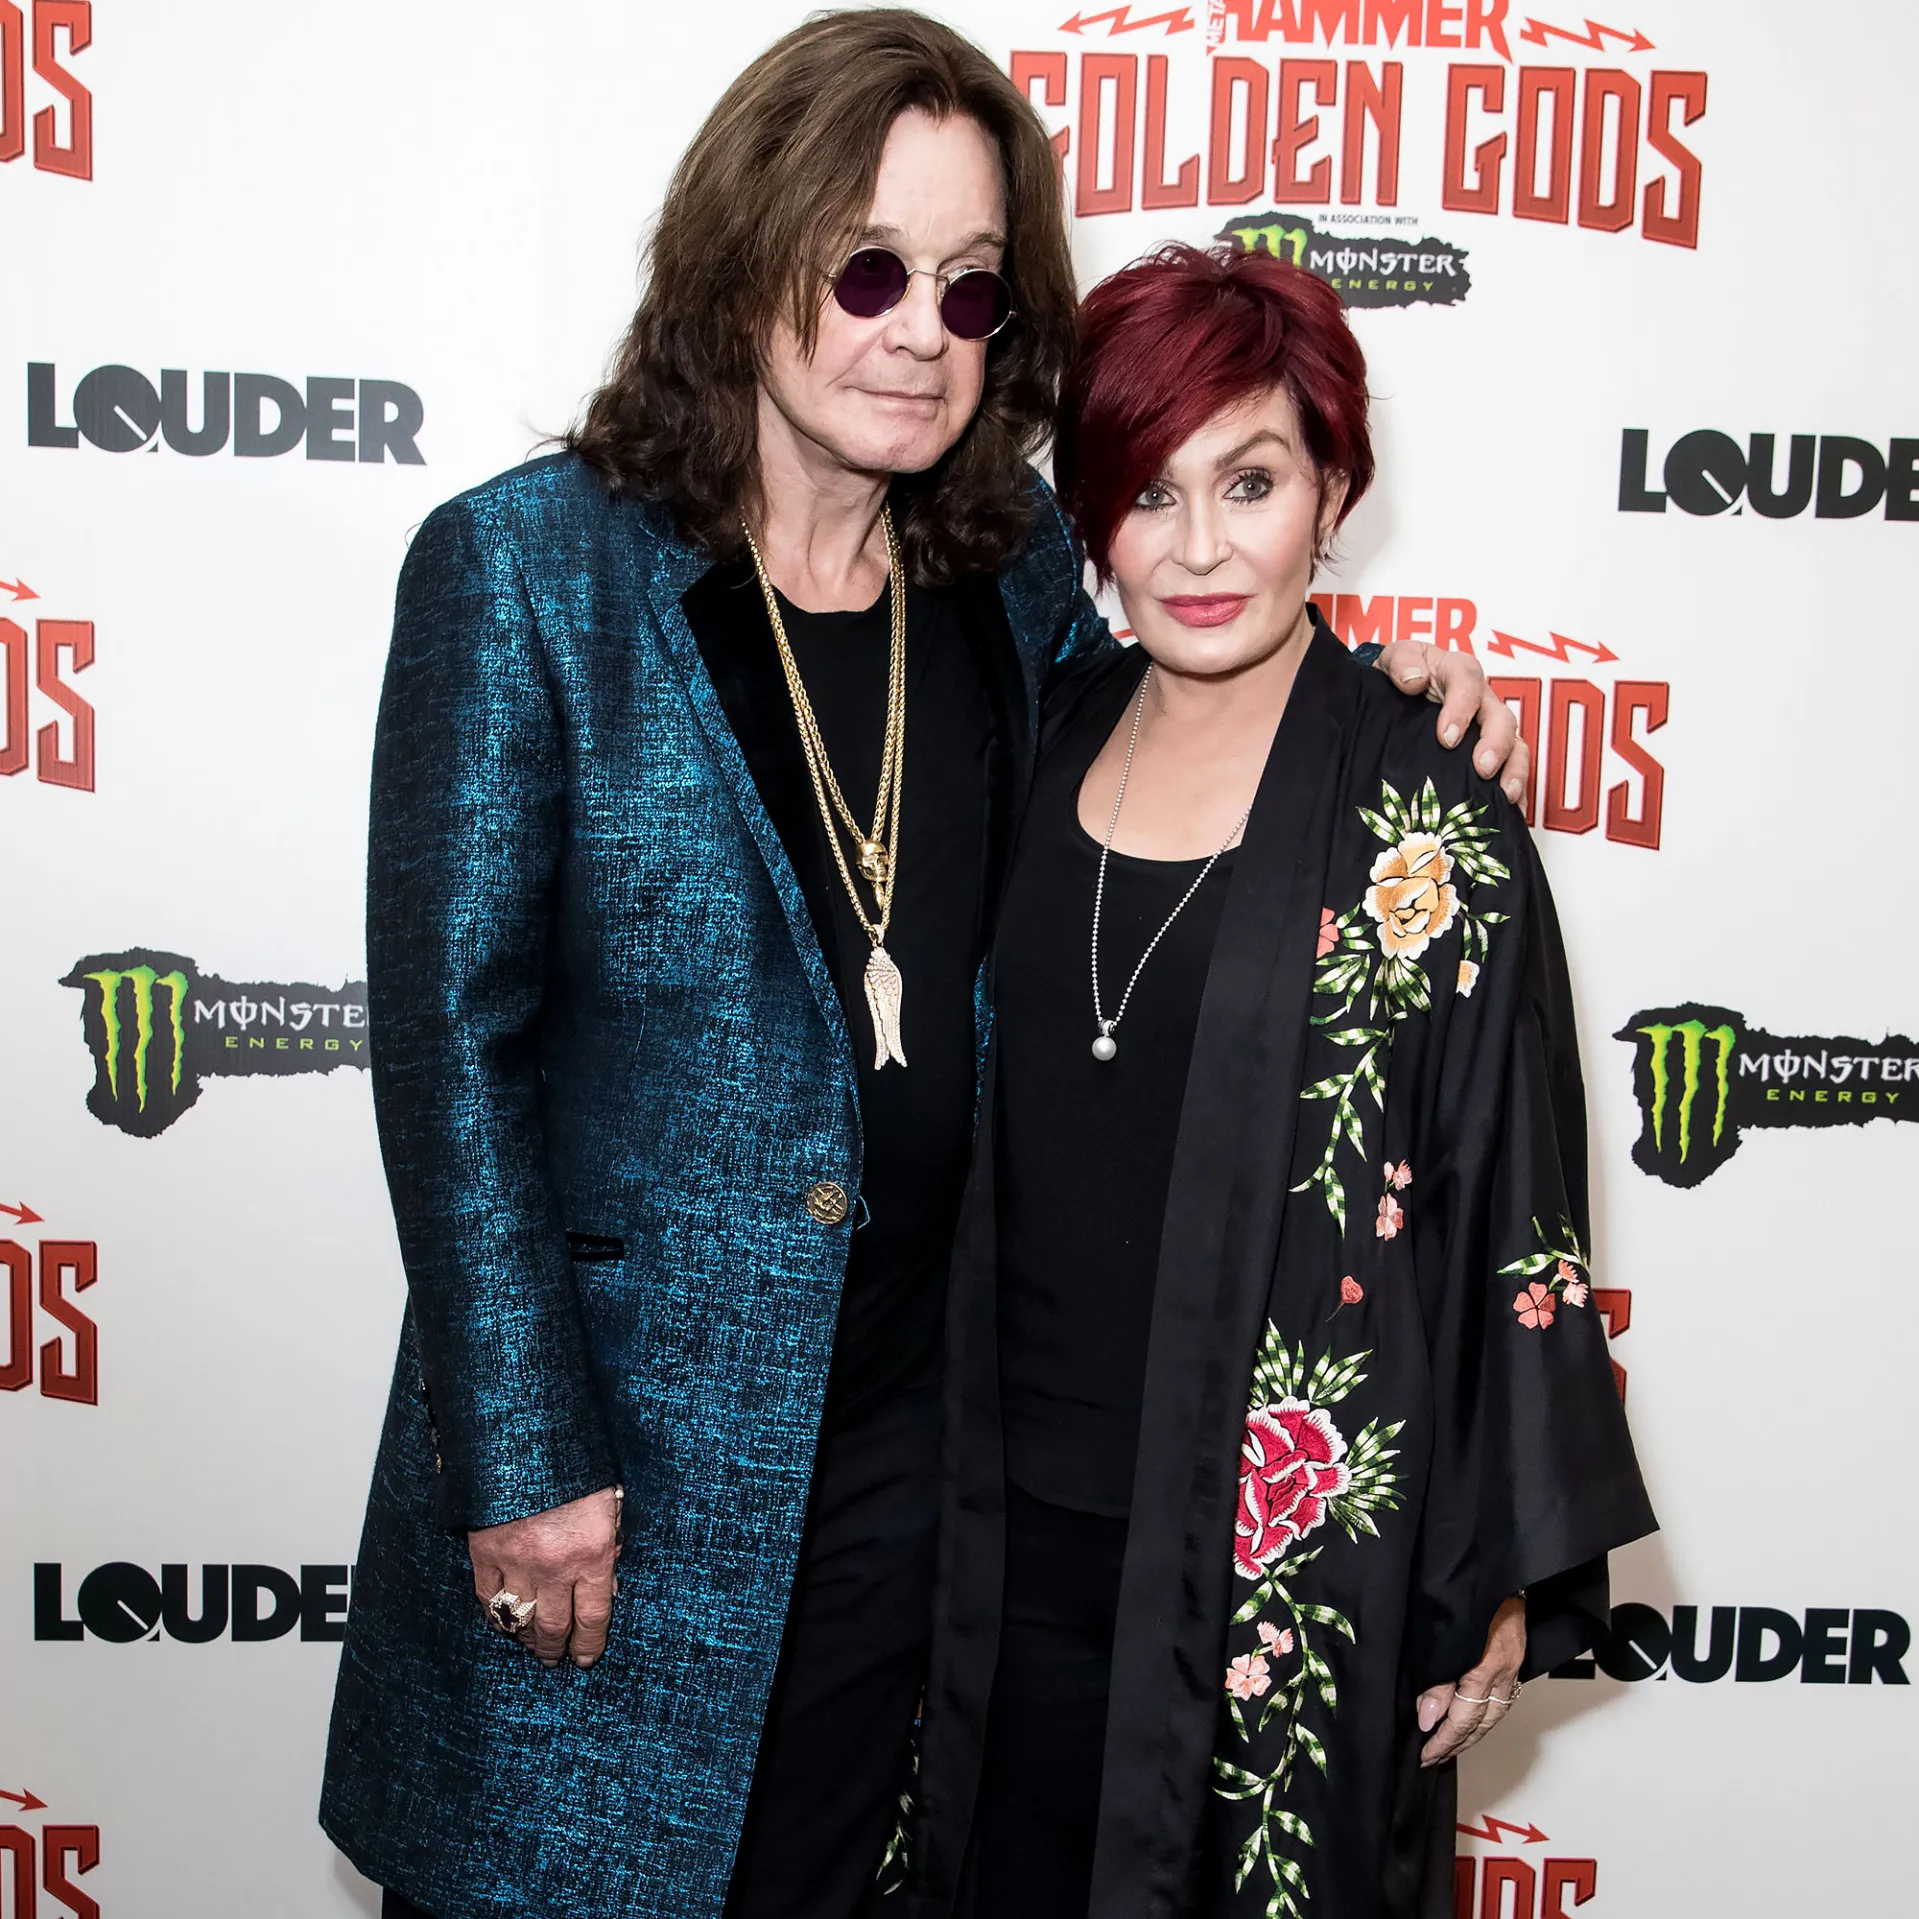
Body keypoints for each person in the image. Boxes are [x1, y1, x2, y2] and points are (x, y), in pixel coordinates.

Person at [317, 15, 1528, 1919]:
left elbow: (1199, 692)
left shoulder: (1009, 578)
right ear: (746, 261)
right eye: (866, 270)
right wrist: (528, 1455)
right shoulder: (527, 574)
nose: (917, 332)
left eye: (969, 289)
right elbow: (450, 1054)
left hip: (911, 1476)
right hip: (619, 1472)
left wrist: (1392, 702)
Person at [910, 243, 1656, 1919]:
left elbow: (1511, 1205)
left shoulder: (1424, 808)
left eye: (1247, 482)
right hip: (991, 1548)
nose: (1196, 547)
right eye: (1145, 491)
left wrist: (1497, 1569)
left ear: (1331, 490)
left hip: (1282, 1582)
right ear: (1089, 516)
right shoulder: (1035, 730)